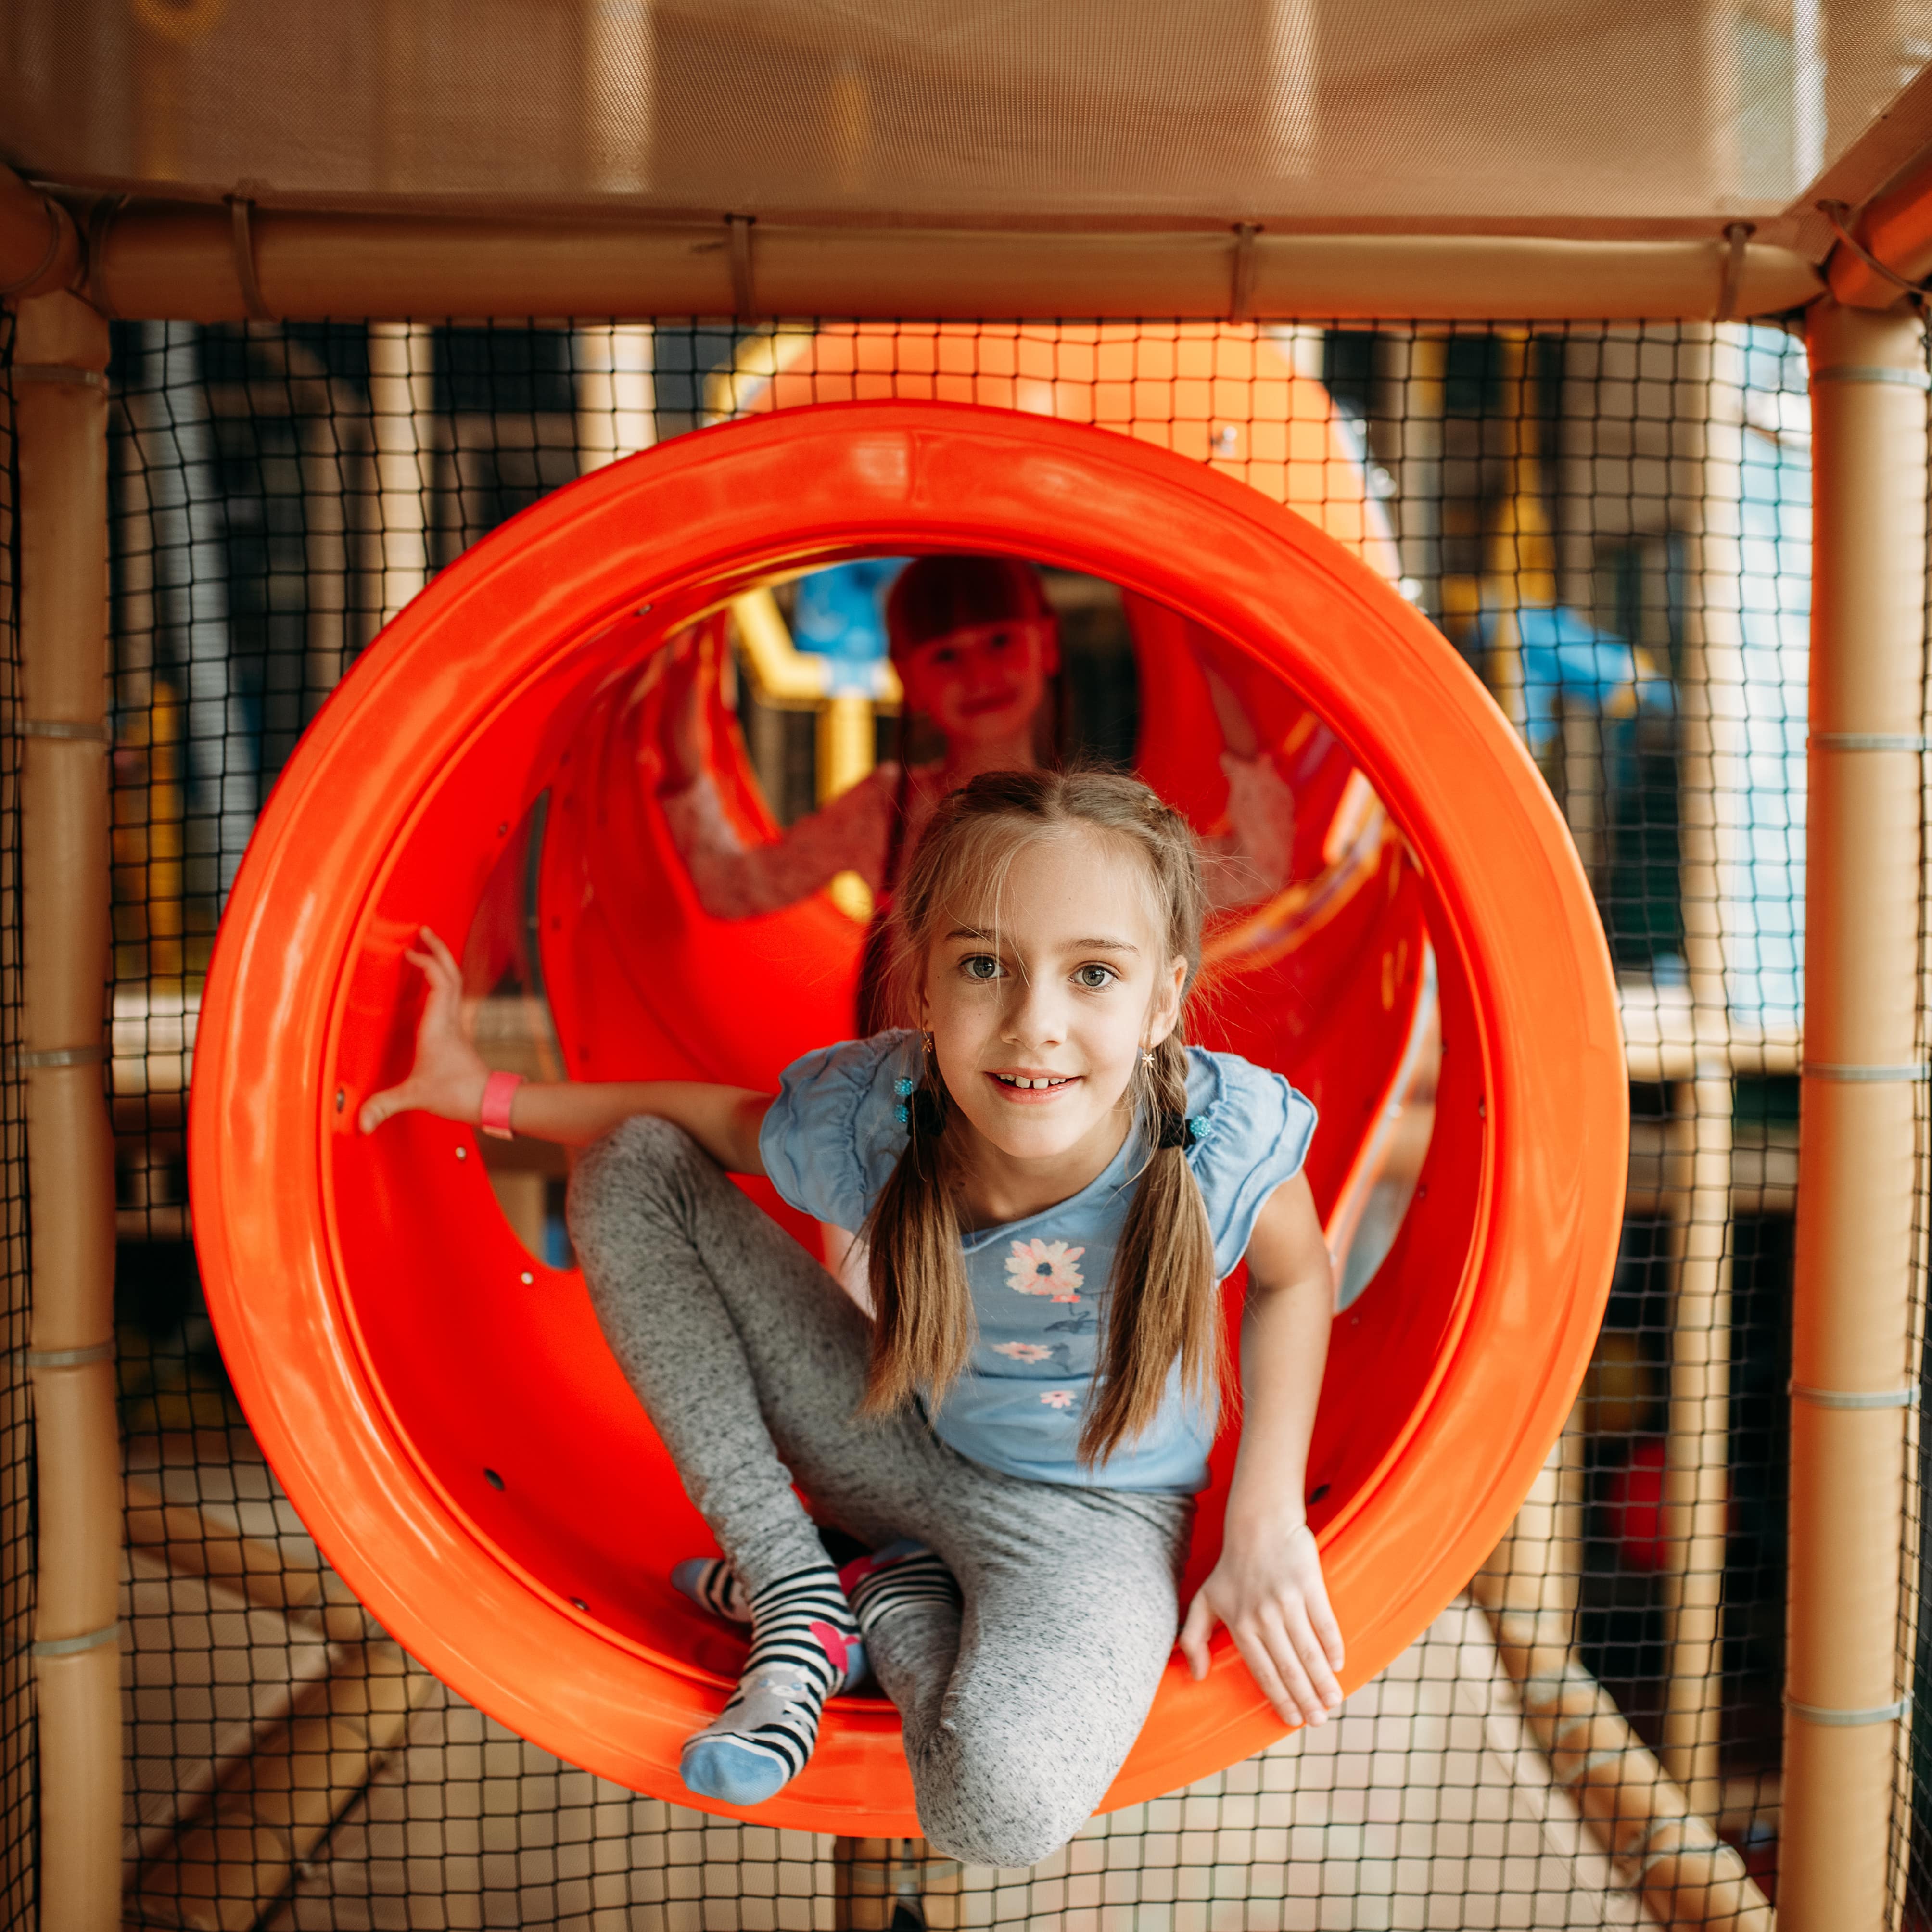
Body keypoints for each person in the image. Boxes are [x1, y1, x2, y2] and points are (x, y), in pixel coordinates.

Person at [359, 768, 1341, 1870]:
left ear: (1162, 1001)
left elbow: (1295, 1279)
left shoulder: (1217, 1140)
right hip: (889, 1435)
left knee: (1002, 1810)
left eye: (1093, 975)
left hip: (1095, 1525)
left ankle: (885, 1595)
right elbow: (687, 1121)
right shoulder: (884, 1112)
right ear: (921, 984)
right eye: (985, 966)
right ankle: (794, 1586)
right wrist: (479, 1093)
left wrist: (1265, 1513)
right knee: (634, 1166)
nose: (1035, 1025)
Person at [659, 556, 1296, 1029]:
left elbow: (1257, 870)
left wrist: (1232, 702)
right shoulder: (890, 810)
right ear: (910, 678)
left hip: (1045, 1093)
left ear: (1045, 644)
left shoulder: (1094, 820)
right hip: (913, 1109)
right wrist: (685, 763)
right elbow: (733, 889)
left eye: (999, 643)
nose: (979, 673)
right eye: (946, 657)